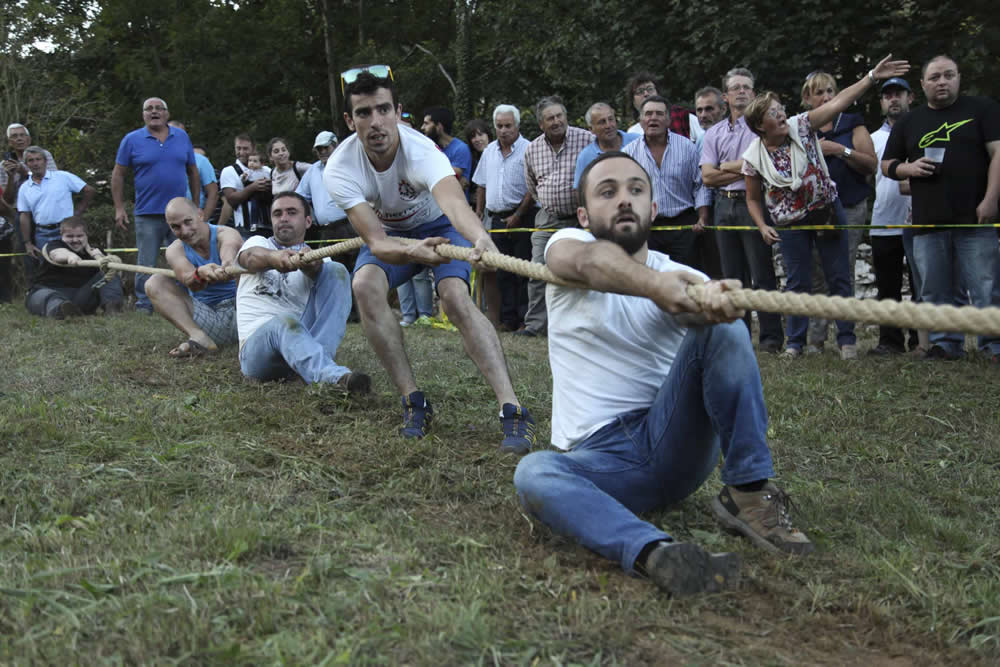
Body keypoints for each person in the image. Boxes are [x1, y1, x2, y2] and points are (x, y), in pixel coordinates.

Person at [513, 151, 813, 597]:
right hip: (600, 461)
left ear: (654, 209)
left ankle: (748, 491)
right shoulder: (564, 247)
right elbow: (590, 261)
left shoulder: (683, 275)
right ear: (582, 213)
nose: (623, 200)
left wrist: (719, 303)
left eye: (636, 190)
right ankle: (658, 554)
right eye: (607, 191)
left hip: (673, 441)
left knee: (724, 328)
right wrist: (656, 289)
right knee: (533, 472)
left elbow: (719, 338)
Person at [324, 70, 536, 453]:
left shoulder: (421, 149)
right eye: (363, 113)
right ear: (349, 121)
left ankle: (513, 409)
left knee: (455, 296)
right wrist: (413, 251)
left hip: (441, 225)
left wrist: (480, 238)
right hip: (391, 236)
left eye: (383, 109)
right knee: (365, 286)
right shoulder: (339, 167)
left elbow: (455, 204)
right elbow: (376, 241)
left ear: (399, 112)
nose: (375, 122)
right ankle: (413, 401)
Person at [742, 55, 909, 359]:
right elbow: (752, 198)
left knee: (839, 275)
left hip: (826, 209)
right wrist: (762, 225)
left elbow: (839, 102)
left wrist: (871, 76)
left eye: (780, 109)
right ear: (759, 126)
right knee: (797, 282)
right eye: (773, 113)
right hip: (790, 222)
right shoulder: (753, 156)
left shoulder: (802, 126)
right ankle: (795, 344)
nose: (781, 115)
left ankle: (846, 341)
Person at [882, 54, 1000, 361]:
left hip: (975, 216)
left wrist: (991, 199)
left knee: (986, 286)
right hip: (928, 220)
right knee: (935, 290)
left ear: (959, 78)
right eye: (934, 77)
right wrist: (908, 169)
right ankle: (945, 344)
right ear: (922, 85)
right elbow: (886, 165)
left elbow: (998, 154)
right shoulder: (910, 121)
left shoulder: (983, 109)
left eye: (948, 75)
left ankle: (994, 346)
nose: (942, 81)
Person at [236, 191, 369, 391]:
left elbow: (323, 275)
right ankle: (332, 379)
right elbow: (250, 258)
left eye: (291, 212)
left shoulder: (320, 258)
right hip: (257, 353)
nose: (284, 218)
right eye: (277, 214)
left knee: (336, 271)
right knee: (284, 321)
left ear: (308, 221)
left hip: (298, 345)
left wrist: (312, 267)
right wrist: (274, 258)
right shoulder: (258, 244)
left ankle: (318, 366)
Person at [700, 67, 784, 353]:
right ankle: (739, 337)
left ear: (754, 92)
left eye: (746, 87)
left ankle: (771, 338)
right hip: (722, 205)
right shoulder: (714, 133)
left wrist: (727, 166)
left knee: (762, 273)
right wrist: (745, 167)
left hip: (754, 202)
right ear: (725, 96)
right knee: (732, 275)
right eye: (735, 87)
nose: (741, 91)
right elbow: (707, 177)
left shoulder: (764, 128)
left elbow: (765, 162)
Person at [800, 71, 878, 353]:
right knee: (817, 273)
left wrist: (839, 150)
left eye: (831, 91)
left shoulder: (852, 123)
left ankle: (847, 339)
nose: (827, 97)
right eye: (819, 92)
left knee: (842, 270)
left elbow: (871, 165)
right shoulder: (801, 128)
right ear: (807, 98)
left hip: (849, 205)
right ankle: (816, 339)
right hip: (814, 210)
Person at [111, 97, 201, 313]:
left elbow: (193, 172)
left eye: (159, 108)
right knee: (146, 262)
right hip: (147, 213)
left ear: (167, 114)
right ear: (143, 115)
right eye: (148, 109)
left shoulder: (181, 136)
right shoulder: (131, 140)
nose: (154, 112)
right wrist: (119, 208)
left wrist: (196, 206)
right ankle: (144, 303)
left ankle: (191, 301)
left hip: (180, 214)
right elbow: (118, 174)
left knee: (187, 258)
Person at [521, 95, 593, 337]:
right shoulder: (532, 149)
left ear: (566, 116)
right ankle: (535, 326)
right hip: (548, 218)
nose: (556, 121)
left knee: (582, 270)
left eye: (559, 116)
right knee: (537, 269)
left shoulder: (586, 139)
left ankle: (580, 325)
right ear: (541, 124)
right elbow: (532, 185)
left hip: (582, 218)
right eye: (550, 118)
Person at [144, 197, 242, 358]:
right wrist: (199, 273)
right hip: (208, 318)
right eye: (176, 227)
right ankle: (199, 337)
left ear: (200, 215)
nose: (184, 231)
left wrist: (226, 265)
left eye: (188, 222)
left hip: (243, 313)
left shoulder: (226, 233)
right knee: (154, 282)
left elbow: (230, 247)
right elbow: (190, 281)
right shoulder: (174, 250)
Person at [623, 95, 711, 271]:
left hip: (684, 227)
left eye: (659, 114)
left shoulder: (687, 147)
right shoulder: (628, 154)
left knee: (687, 279)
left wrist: (703, 216)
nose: (653, 118)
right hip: (647, 229)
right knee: (651, 282)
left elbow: (700, 185)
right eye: (648, 114)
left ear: (668, 120)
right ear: (641, 121)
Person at [473, 104, 537, 332]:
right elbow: (480, 183)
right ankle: (507, 319)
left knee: (522, 270)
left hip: (523, 217)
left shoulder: (529, 149)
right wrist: (479, 211)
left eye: (508, 125)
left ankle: (523, 320)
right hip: (497, 220)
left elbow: (533, 186)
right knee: (501, 271)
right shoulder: (489, 151)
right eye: (499, 126)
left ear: (517, 125)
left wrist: (519, 214)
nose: (503, 130)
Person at [869, 78, 920, 356]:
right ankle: (889, 341)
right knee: (887, 287)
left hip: (919, 221)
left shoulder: (923, 131)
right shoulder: (873, 139)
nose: (893, 99)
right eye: (887, 95)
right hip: (883, 221)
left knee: (919, 286)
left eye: (898, 93)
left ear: (910, 96)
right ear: (881, 102)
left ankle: (919, 340)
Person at [17, 146, 95, 274]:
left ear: (45, 161)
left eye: (38, 159)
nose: (35, 163)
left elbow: (89, 190)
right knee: (48, 270)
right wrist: (27, 243)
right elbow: (24, 215)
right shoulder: (25, 188)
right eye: (31, 160)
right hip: (42, 234)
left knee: (74, 265)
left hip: (67, 231)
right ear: (26, 164)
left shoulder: (62, 177)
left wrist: (77, 213)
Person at [27, 217, 123, 318]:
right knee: (48, 297)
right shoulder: (54, 245)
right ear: (61, 236)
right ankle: (61, 311)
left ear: (86, 236)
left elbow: (110, 274)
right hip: (48, 291)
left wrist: (99, 257)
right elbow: (57, 254)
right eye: (69, 236)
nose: (75, 240)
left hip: (81, 297)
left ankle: (113, 309)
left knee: (109, 274)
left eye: (79, 236)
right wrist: (70, 256)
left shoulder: (95, 253)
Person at [572, 102, 640, 189]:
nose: (608, 125)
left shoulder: (637, 141)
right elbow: (579, 191)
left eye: (611, 119)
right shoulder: (586, 156)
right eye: (602, 122)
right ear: (591, 129)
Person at [624, 72, 703, 144]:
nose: (646, 94)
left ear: (658, 93)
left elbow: (704, 142)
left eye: (650, 89)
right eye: (640, 91)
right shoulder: (633, 133)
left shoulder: (684, 117)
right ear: (633, 102)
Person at [220, 134, 273, 240]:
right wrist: (252, 187)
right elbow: (231, 199)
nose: (241, 152)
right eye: (238, 148)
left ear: (253, 149)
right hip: (245, 226)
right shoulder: (229, 171)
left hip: (269, 224)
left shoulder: (266, 170)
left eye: (245, 148)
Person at [168, 121, 219, 222]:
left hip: (190, 219)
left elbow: (213, 193)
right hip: (161, 217)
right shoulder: (156, 160)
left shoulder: (200, 160)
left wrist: (203, 220)